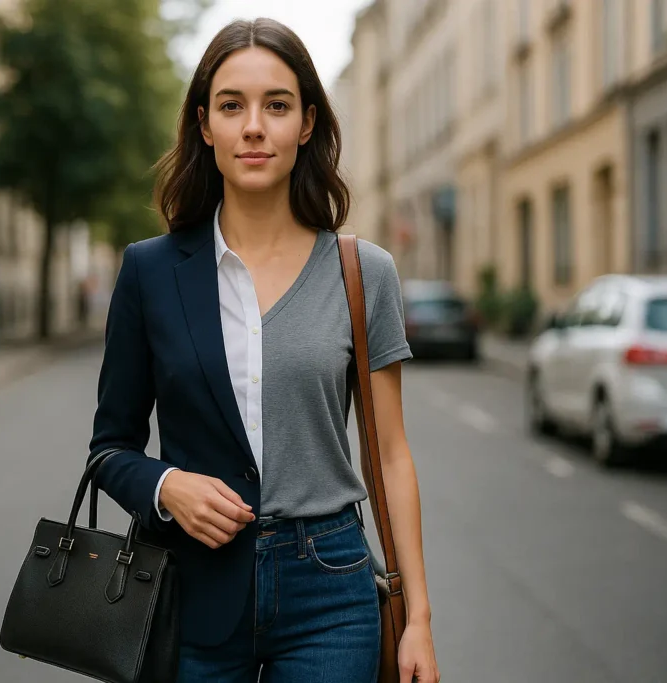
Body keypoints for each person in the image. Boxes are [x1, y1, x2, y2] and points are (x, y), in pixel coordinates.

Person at [89, 17, 440, 683]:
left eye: (276, 105)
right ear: (204, 124)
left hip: (330, 590)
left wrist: (417, 616)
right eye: (232, 106)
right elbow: (109, 448)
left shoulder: (364, 273)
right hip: (191, 587)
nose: (254, 126)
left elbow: (391, 454)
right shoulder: (149, 273)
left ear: (307, 123)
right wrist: (168, 486)